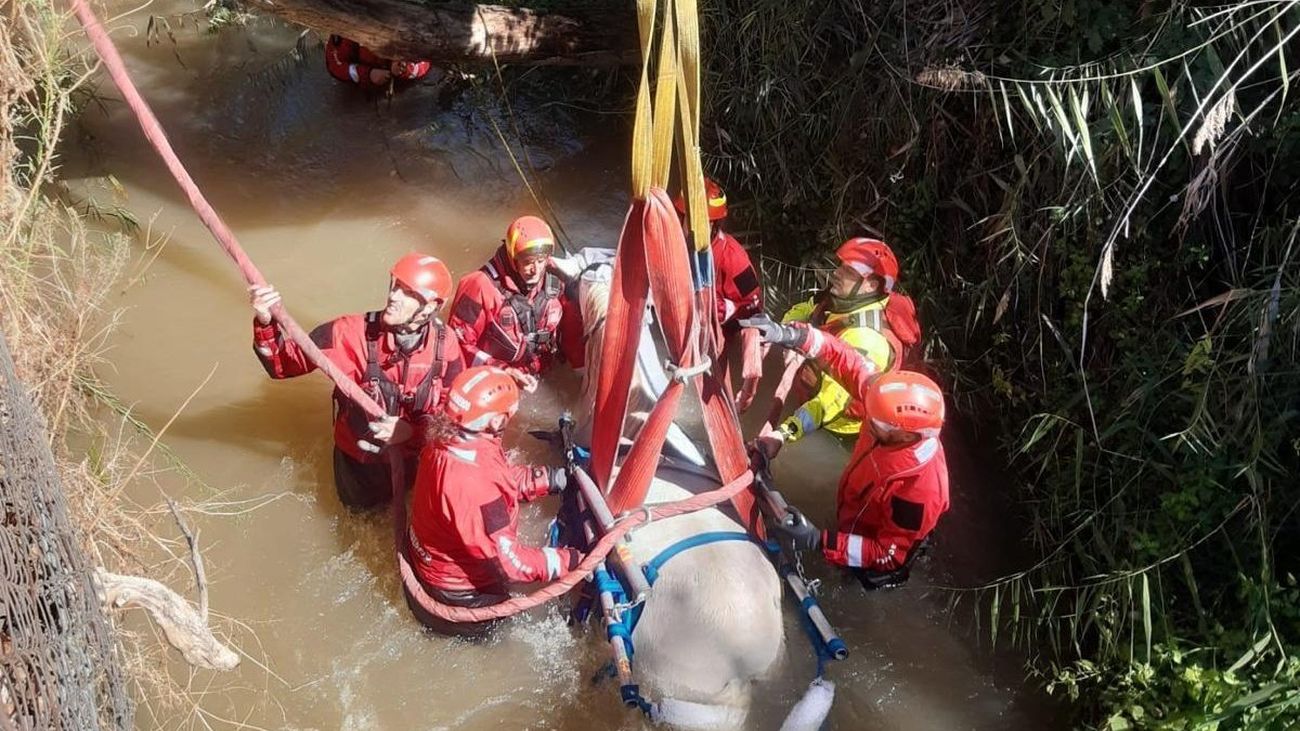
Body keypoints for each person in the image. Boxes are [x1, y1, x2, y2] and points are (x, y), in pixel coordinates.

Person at [743, 314, 949, 589]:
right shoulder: (885, 407)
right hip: (854, 515)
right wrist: (791, 336)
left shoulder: (918, 492)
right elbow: (844, 359)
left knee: (851, 585)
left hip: (874, 567)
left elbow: (885, 554)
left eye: (876, 422)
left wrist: (819, 540)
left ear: (907, 435)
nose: (868, 418)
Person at [250, 253, 462, 509]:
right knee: (358, 517)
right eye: (394, 286)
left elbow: (454, 420)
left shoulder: (445, 345)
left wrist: (412, 432)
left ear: (429, 307)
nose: (393, 296)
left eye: (407, 292)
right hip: (359, 465)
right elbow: (282, 365)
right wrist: (265, 321)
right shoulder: (348, 333)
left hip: (411, 458)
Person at [404, 366, 577, 635]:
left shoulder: (445, 439)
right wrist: (570, 561)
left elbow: (498, 479)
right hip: (458, 598)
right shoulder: (474, 483)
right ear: (495, 422)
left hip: (430, 568)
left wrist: (548, 479)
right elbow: (510, 563)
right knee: (504, 634)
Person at [774, 237, 921, 446]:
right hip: (812, 386)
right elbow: (806, 309)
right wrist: (786, 332)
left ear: (870, 284)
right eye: (841, 267)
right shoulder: (843, 299)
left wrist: (784, 433)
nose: (836, 273)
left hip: (835, 429)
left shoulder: (868, 339)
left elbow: (828, 404)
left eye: (848, 272)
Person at [448, 216, 564, 391]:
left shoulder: (554, 279)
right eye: (527, 263)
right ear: (512, 259)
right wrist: (503, 371)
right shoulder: (479, 286)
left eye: (541, 261)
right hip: (494, 380)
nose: (536, 270)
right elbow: (457, 345)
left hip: (537, 374)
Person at [673, 178, 764, 329]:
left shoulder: (734, 258)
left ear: (713, 224)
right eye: (690, 220)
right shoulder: (673, 241)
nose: (695, 228)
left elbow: (753, 306)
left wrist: (718, 309)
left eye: (702, 223)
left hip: (718, 331)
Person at [324, 35, 432, 90]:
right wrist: (368, 74)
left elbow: (428, 59)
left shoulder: (408, 17)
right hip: (361, 92)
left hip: (405, 91)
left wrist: (405, 68)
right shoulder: (349, 19)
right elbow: (335, 65)